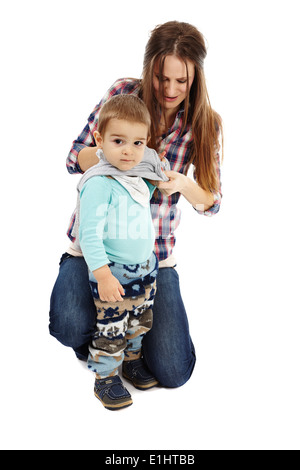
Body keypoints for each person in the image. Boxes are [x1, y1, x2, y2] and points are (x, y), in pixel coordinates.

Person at [49, 20, 223, 389]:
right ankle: (106, 344)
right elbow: (73, 156)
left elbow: (211, 203)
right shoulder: (124, 93)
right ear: (150, 68)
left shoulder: (205, 123)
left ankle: (129, 341)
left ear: (196, 77)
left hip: (152, 258)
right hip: (96, 251)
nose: (170, 89)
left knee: (174, 371)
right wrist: (119, 156)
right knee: (68, 325)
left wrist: (182, 184)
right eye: (162, 78)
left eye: (182, 81)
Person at [69, 94, 170, 410]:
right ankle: (105, 377)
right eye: (118, 141)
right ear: (99, 140)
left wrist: (158, 179)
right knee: (112, 326)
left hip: (144, 267)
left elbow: (144, 199)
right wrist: (102, 274)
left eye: (138, 143)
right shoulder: (100, 182)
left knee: (139, 321)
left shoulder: (136, 178)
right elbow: (90, 233)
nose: (129, 151)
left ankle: (132, 361)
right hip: (114, 270)